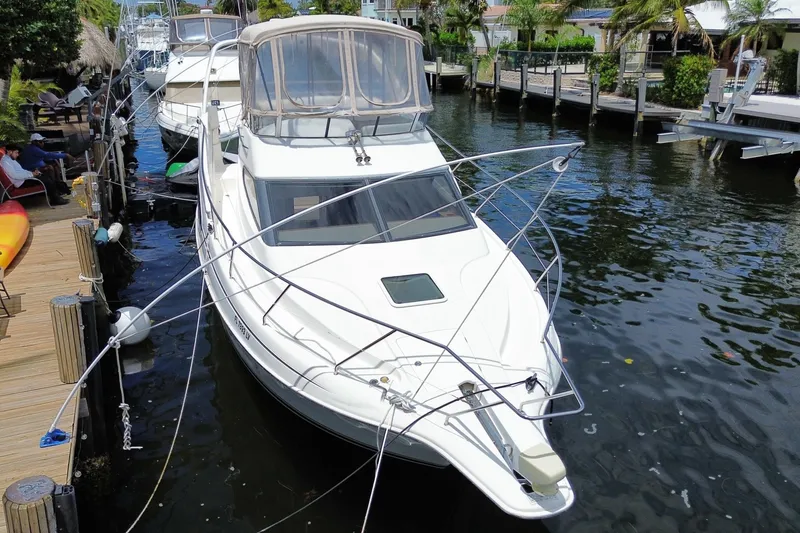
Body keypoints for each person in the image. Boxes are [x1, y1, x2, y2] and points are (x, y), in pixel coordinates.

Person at [1, 144, 69, 205]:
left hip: (23, 179)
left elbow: (21, 171)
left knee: (45, 175)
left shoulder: (10, 160)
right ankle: (55, 199)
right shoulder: (5, 162)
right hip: (20, 183)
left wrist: (32, 173)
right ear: (9, 152)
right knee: (46, 180)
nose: (17, 155)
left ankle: (56, 195)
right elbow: (15, 176)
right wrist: (31, 175)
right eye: (16, 152)